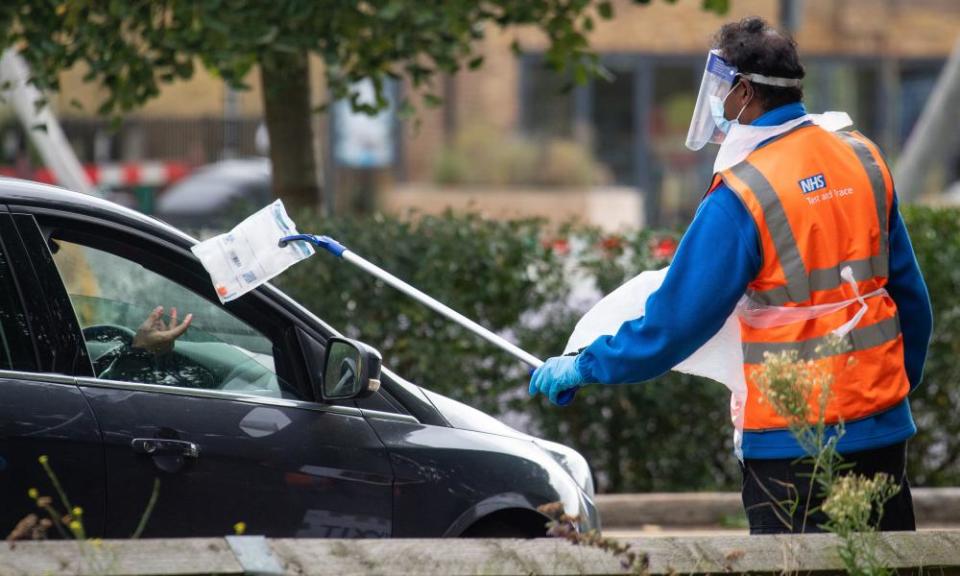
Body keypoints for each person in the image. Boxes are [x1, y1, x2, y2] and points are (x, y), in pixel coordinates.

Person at [528, 17, 933, 534]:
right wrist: (891, 392)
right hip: (881, 432)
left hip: (790, 441)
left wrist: (588, 365)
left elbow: (673, 325)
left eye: (721, 89)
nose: (716, 103)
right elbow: (912, 301)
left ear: (743, 92)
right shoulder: (864, 158)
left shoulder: (742, 195)